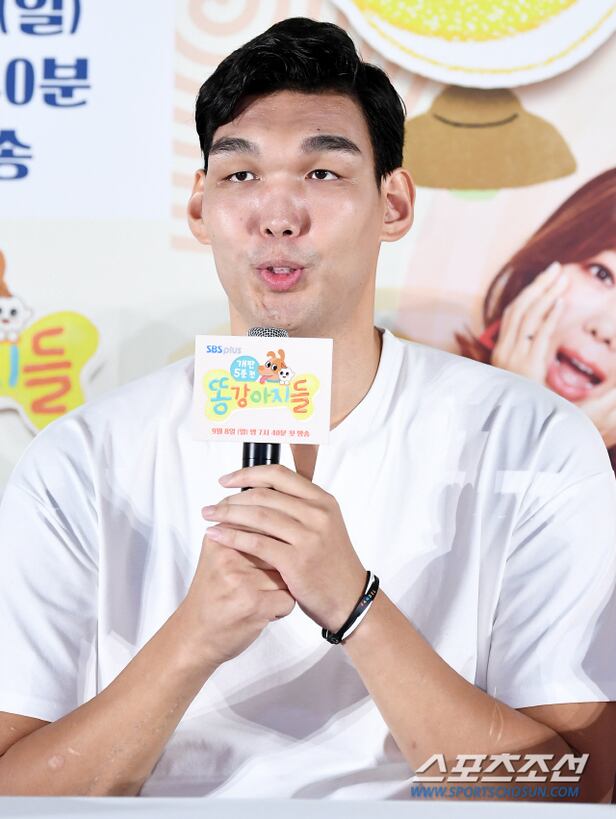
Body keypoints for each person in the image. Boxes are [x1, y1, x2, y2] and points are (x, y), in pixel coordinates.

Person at [0, 16, 615, 801]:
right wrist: (194, 636)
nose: (278, 214)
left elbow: (576, 787)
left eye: (323, 172)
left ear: (394, 204)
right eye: (240, 175)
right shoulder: (81, 460)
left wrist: (356, 605)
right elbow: (14, 791)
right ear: (199, 207)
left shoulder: (535, 441)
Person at [457, 168, 616, 475]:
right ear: (540, 271)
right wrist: (518, 408)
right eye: (601, 274)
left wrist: (573, 451)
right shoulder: (423, 395)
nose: (606, 329)